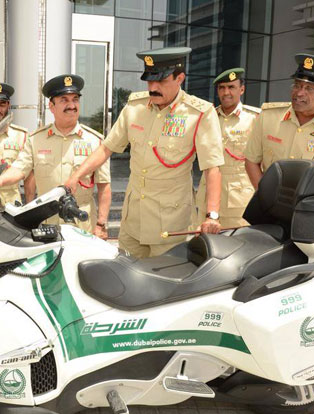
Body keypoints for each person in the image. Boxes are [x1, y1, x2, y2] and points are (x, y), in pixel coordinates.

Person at [64, 47, 224, 258]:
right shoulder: (134, 108)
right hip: (133, 221)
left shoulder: (199, 113)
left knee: (164, 281)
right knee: (125, 275)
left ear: (180, 78)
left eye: (161, 81)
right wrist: (76, 176)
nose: (153, 87)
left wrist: (211, 215)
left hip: (170, 224)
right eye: (149, 81)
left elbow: (212, 168)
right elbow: (106, 148)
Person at [0, 74, 112, 239]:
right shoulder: (36, 139)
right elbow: (20, 169)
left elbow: (104, 187)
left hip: (83, 225)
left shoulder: (95, 141)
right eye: (64, 100)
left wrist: (101, 224)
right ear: (51, 106)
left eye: (75, 99)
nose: (71, 105)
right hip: (47, 222)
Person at [244, 54, 314, 189]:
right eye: (297, 85)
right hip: (268, 204)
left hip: (311, 207)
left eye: (309, 88)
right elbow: (251, 161)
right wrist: (265, 195)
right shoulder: (268, 116)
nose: (299, 93)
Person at [195, 68, 258, 229]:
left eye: (231, 87)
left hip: (238, 202)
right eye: (222, 88)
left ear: (241, 89)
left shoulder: (255, 119)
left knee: (237, 246)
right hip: (206, 199)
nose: (226, 92)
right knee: (203, 247)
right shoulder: (208, 118)